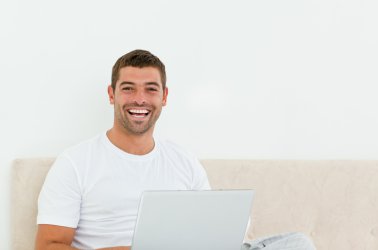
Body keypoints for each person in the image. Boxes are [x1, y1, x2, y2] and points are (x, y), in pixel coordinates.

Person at [35, 49, 315, 250]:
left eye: (151, 89)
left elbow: (211, 229)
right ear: (112, 95)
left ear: (164, 97)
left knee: (299, 243)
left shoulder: (183, 160)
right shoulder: (75, 163)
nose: (140, 99)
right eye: (129, 88)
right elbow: (47, 245)